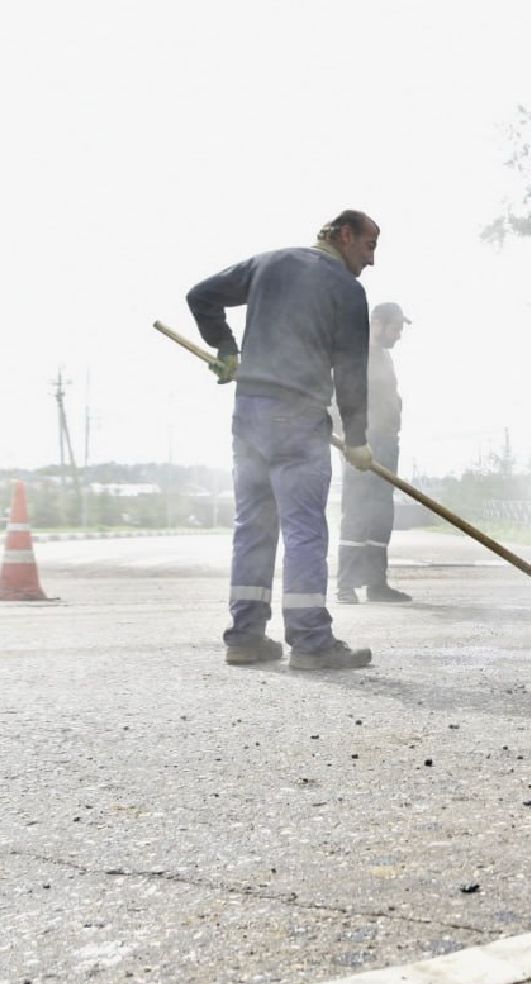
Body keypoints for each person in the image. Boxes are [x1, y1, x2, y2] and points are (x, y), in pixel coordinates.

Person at [185, 210, 379, 671]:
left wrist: (227, 349)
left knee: (253, 526)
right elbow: (350, 369)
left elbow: (201, 296)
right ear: (345, 235)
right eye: (369, 246)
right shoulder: (347, 289)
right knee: (304, 528)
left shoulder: (267, 264)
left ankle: (246, 636)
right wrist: (357, 438)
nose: (371, 261)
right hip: (298, 416)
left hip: (250, 413)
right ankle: (311, 641)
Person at [337, 301, 413, 604]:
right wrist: (349, 439)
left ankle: (375, 584)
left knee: (381, 514)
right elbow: (339, 394)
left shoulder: (383, 357)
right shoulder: (357, 351)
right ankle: (345, 585)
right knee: (357, 512)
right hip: (362, 443)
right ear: (378, 324)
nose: (399, 335)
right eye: (395, 328)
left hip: (386, 443)